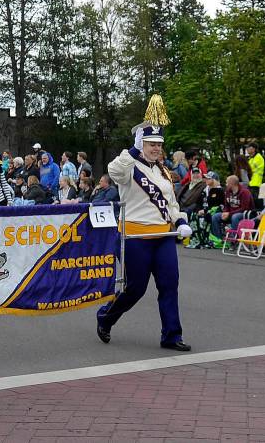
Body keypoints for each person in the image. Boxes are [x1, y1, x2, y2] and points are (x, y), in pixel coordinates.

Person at [96, 116, 192, 352]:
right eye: (150, 144)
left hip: (163, 237)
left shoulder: (164, 171)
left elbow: (171, 204)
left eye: (158, 144)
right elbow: (114, 172)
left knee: (169, 285)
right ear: (141, 143)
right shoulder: (128, 165)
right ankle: (106, 317)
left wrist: (179, 221)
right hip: (135, 237)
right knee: (135, 288)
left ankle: (171, 334)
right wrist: (132, 149)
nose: (156, 148)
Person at [210, 175, 254, 242]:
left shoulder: (245, 192)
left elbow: (244, 208)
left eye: (227, 183)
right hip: (231, 213)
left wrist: (229, 214)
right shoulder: (228, 191)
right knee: (215, 216)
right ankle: (218, 240)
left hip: (244, 214)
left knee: (235, 217)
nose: (226, 184)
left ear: (231, 184)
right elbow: (226, 205)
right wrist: (225, 212)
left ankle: (235, 240)